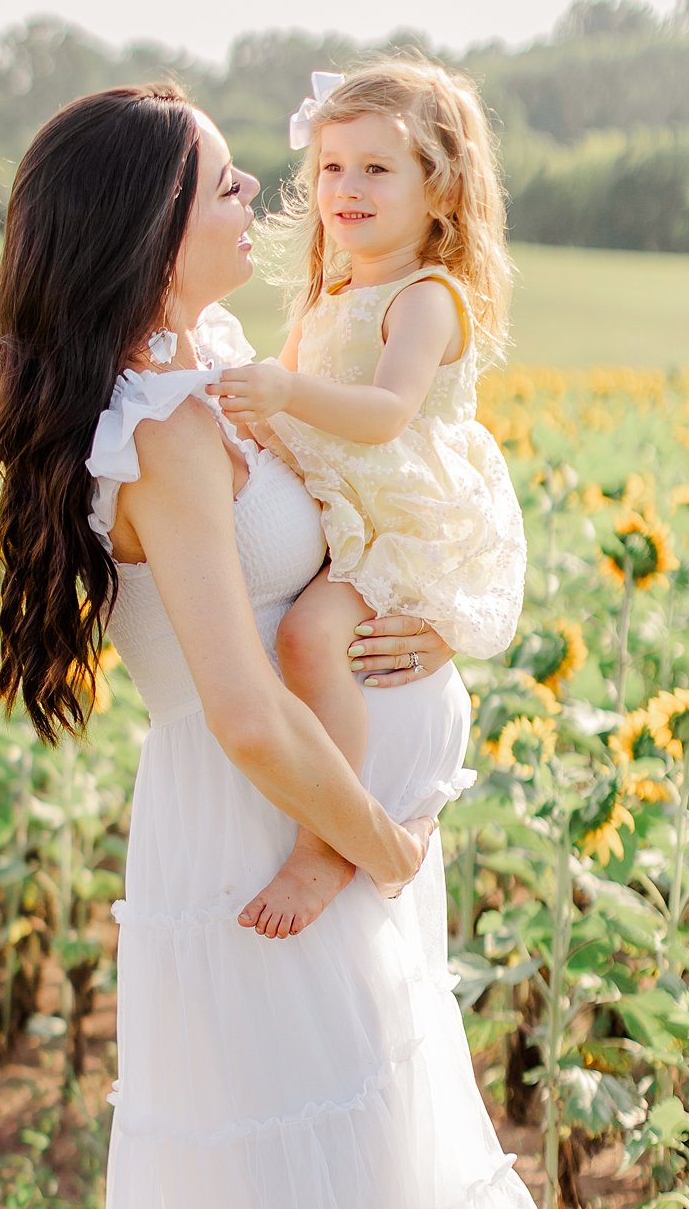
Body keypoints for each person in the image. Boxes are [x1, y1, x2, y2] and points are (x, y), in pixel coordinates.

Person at [0, 83, 605, 1209]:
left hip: (327, 833)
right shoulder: (158, 433)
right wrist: (375, 836)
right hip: (262, 850)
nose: (268, 200)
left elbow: (358, 511)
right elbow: (243, 707)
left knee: (359, 1201)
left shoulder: (226, 361)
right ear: (149, 230)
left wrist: (414, 619)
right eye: (230, 184)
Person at [207, 60, 527, 941]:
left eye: (376, 168)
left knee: (311, 636)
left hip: (401, 521)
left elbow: (385, 415)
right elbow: (301, 434)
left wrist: (280, 394)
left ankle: (329, 839)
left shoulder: (425, 298)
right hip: (352, 509)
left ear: (441, 190)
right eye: (331, 167)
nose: (345, 187)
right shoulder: (333, 297)